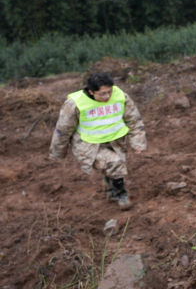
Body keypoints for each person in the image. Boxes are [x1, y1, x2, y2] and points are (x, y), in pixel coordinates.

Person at [49, 72, 146, 209]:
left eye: (109, 92)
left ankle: (111, 190)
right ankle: (121, 194)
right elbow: (63, 129)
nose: (107, 97)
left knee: (113, 164)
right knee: (115, 163)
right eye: (102, 94)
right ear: (91, 91)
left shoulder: (120, 96)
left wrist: (138, 142)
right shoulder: (75, 104)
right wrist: (57, 152)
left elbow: (134, 120)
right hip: (88, 144)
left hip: (115, 141)